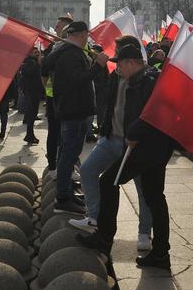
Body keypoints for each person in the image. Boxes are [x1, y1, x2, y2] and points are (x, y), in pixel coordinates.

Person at [76, 45, 174, 269]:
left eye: (120, 64)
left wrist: (133, 133)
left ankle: (104, 239)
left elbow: (152, 112)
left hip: (148, 148)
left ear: (132, 62)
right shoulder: (138, 78)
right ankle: (160, 253)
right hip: (150, 148)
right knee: (154, 197)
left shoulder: (148, 81)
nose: (118, 68)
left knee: (109, 182)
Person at [69, 36, 154, 250]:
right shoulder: (116, 75)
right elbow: (107, 98)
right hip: (110, 138)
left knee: (143, 190)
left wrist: (137, 136)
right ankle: (94, 218)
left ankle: (144, 233)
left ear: (132, 60)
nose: (116, 61)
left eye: (120, 56)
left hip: (134, 144)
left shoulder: (147, 79)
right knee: (88, 171)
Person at [41, 21, 109, 214]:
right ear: (80, 35)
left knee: (69, 154)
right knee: (68, 155)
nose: (87, 39)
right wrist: (97, 66)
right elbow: (78, 81)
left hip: (73, 110)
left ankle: (67, 194)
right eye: (86, 35)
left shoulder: (68, 52)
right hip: (73, 110)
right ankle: (62, 198)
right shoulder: (70, 54)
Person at [41, 15, 74, 177]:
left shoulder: (77, 48)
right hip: (54, 97)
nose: (56, 30)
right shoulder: (52, 49)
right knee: (55, 133)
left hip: (71, 99)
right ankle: (53, 166)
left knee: (70, 135)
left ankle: (69, 165)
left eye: (59, 27)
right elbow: (43, 73)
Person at [20, 48, 43, 144]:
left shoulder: (32, 61)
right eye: (35, 52)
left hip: (34, 91)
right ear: (30, 53)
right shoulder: (30, 62)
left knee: (33, 114)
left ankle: (30, 135)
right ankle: (29, 135)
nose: (37, 53)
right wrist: (37, 64)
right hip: (32, 92)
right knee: (32, 114)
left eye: (38, 52)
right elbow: (28, 73)